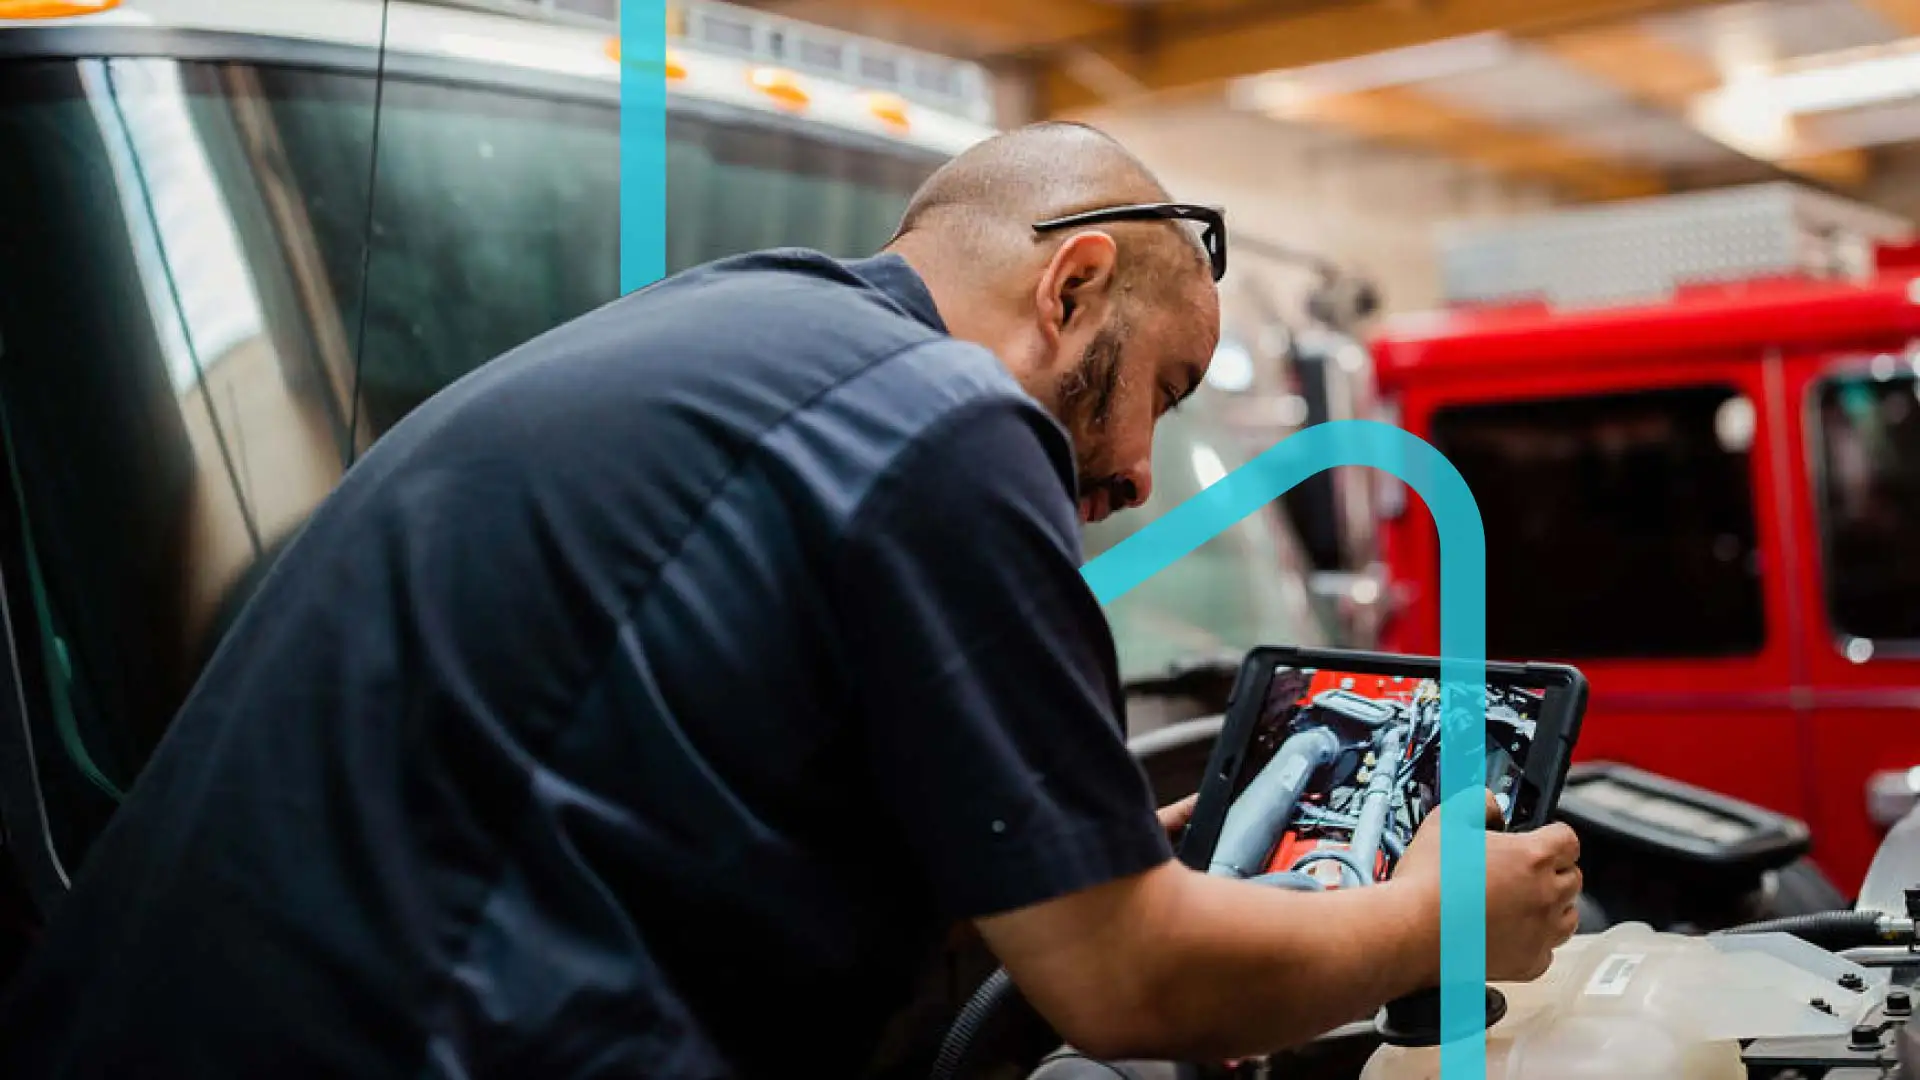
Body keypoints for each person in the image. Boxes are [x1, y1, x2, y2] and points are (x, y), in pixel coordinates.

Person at [0, 121, 1580, 1078]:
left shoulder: (751, 330)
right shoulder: (952, 427)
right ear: (1073, 286)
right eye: (1158, 396)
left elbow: (678, 751)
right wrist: (1435, 921)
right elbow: (1125, 986)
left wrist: (1046, 853)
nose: (1142, 476)